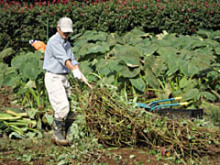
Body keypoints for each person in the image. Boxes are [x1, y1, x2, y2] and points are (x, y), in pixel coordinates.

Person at [43, 17, 86, 145]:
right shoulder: (54, 42)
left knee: (72, 106)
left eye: (68, 32)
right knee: (62, 107)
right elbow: (64, 59)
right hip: (54, 77)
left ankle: (68, 133)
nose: (66, 34)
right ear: (58, 28)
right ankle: (57, 134)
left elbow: (72, 59)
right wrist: (74, 70)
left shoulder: (66, 43)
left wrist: (79, 72)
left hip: (63, 77)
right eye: (64, 32)